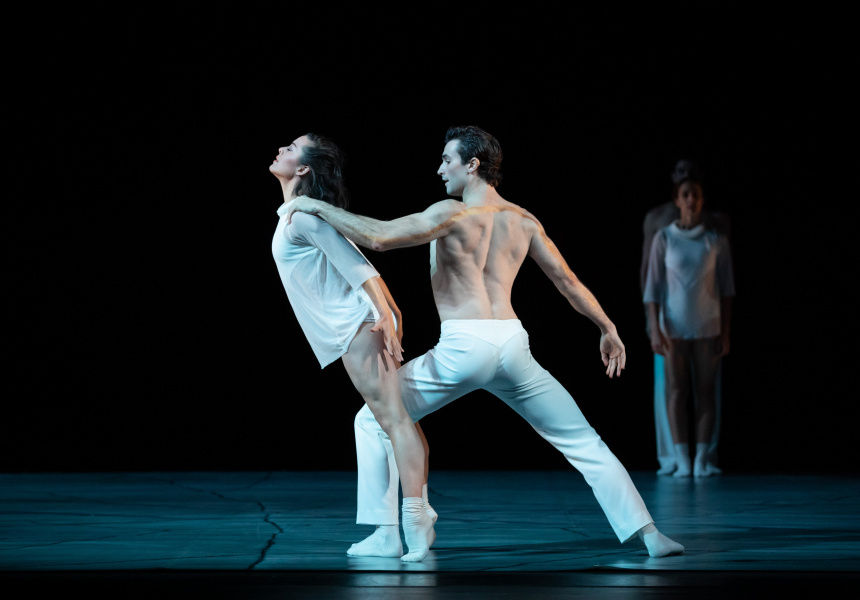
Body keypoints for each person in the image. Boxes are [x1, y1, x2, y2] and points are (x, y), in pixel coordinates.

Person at [285, 125, 684, 558]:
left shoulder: (451, 214)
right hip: (512, 344)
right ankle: (651, 535)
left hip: (464, 346)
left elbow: (379, 238)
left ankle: (388, 533)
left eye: (447, 161)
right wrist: (608, 327)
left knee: (372, 420)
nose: (440, 170)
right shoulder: (524, 220)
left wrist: (314, 205)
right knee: (585, 441)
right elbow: (568, 282)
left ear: (472, 165)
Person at [269, 133, 432, 562]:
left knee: (393, 420)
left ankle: (415, 523)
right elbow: (362, 265)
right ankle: (390, 532)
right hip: (355, 329)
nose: (281, 149)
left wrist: (388, 316)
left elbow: (361, 268)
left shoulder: (303, 219)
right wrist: (392, 313)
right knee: (387, 420)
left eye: (291, 148)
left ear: (303, 168)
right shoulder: (295, 216)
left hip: (358, 329)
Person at [642, 162, 735, 478]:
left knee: (706, 391)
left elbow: (727, 289)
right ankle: (681, 459)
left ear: (702, 198)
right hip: (674, 327)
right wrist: (654, 327)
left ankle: (702, 460)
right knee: (676, 392)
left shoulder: (716, 240)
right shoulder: (664, 236)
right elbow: (652, 287)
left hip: (707, 325)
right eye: (685, 195)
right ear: (677, 199)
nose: (691, 200)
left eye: (695, 194)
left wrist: (725, 331)